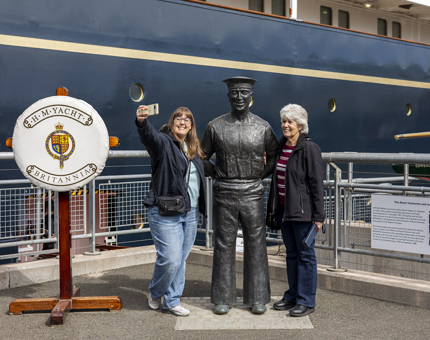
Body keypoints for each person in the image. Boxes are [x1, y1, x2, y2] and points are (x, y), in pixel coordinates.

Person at [200, 76, 279, 315]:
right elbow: (200, 155)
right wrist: (218, 174)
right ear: (228, 96)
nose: (239, 97)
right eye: (234, 93)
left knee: (256, 245)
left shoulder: (263, 127)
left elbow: (274, 155)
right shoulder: (216, 126)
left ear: (251, 96)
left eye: (244, 93)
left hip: (253, 191)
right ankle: (223, 298)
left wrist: (259, 175)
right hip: (224, 191)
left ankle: (257, 298)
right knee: (223, 245)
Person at [136, 106, 206, 317]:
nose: (182, 122)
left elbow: (207, 171)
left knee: (180, 260)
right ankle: (156, 292)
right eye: (179, 118)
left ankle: (172, 301)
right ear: (172, 121)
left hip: (190, 212)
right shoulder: (164, 142)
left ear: (191, 125)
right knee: (170, 259)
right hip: (166, 211)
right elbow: (149, 137)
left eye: (187, 119)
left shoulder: (193, 148)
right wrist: (142, 122)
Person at [266, 104, 325, 317]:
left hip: (303, 213)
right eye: (283, 121)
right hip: (284, 211)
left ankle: (306, 300)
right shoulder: (282, 146)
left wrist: (319, 217)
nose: (285, 125)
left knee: (306, 256)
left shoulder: (309, 148)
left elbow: (317, 184)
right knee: (291, 255)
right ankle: (292, 296)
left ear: (300, 125)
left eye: (290, 122)